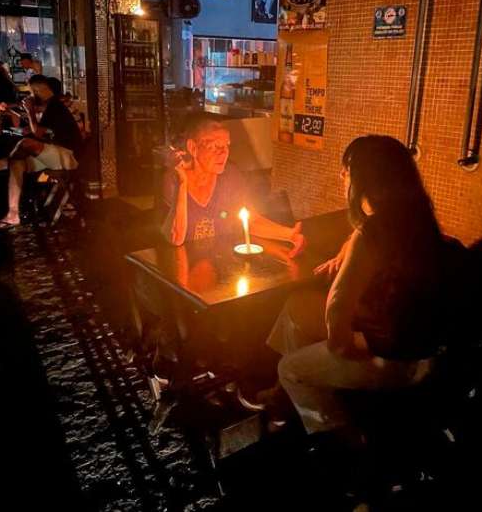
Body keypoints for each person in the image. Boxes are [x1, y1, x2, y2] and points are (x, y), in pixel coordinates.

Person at [267, 135, 459, 436]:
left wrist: (343, 349)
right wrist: (349, 249)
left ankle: (335, 435)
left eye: (345, 174)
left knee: (290, 368)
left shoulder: (371, 233)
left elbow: (337, 309)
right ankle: (295, 396)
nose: (342, 181)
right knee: (296, 307)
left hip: (394, 361)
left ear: (361, 179)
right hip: (428, 351)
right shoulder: (419, 221)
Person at [161, 114, 305, 254]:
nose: (224, 153)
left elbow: (251, 220)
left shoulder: (230, 176)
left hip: (221, 264)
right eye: (216, 146)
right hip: (181, 266)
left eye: (227, 146)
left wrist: (290, 235)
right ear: (193, 148)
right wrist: (182, 182)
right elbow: (176, 238)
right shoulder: (174, 180)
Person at [0, 74, 81, 229]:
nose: (31, 96)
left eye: (32, 92)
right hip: (56, 152)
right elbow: (43, 131)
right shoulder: (50, 106)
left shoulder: (56, 106)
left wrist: (30, 112)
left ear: (39, 90)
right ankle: (13, 213)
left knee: (24, 144)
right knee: (17, 163)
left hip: (69, 156)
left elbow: (38, 133)